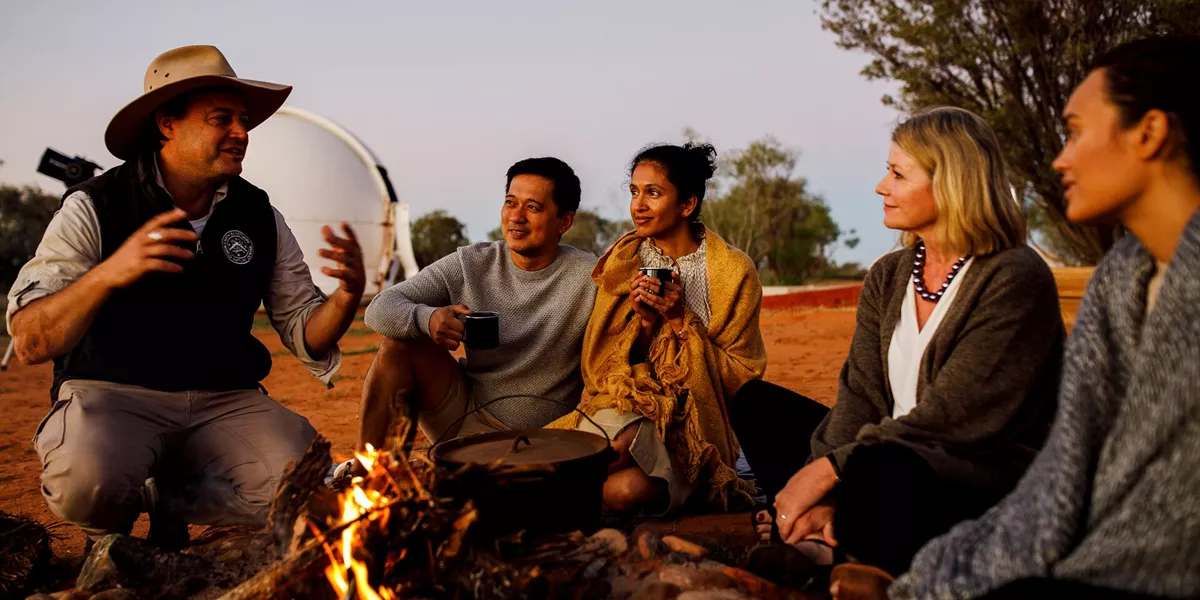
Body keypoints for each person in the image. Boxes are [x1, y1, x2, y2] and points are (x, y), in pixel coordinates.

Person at [6, 45, 365, 548]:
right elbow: (29, 338)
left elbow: (303, 327)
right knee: (88, 487)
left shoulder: (257, 214)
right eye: (222, 119)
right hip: (114, 393)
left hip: (225, 399)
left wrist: (349, 293)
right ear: (167, 123)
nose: (241, 133)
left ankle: (167, 500)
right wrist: (110, 272)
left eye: (243, 120)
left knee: (309, 489)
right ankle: (112, 522)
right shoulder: (95, 205)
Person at [893, 36, 1200, 600]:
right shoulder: (1120, 280)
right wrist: (929, 580)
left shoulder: (1014, 274)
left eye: (1077, 131)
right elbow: (1065, 470)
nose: (1061, 158)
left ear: (1150, 132)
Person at [730, 107, 1064, 578]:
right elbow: (860, 396)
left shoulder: (1014, 276)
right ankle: (821, 527)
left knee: (884, 466)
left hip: (970, 468)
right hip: (878, 458)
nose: (880, 186)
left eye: (897, 174)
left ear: (950, 184)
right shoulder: (889, 276)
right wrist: (815, 482)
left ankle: (831, 546)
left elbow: (954, 418)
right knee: (756, 404)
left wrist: (827, 474)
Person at [549, 143, 765, 515]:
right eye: (634, 191)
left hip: (696, 432)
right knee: (621, 442)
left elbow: (743, 379)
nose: (638, 205)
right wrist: (646, 326)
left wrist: (682, 321)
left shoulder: (733, 271)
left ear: (687, 205)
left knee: (624, 492)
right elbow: (599, 369)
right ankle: (534, 502)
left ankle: (543, 503)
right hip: (628, 410)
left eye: (653, 193)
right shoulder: (622, 262)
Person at [357, 157, 596, 450]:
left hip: (537, 440)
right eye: (511, 203)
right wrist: (428, 320)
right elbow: (380, 307)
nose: (516, 217)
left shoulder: (591, 276)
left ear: (564, 221)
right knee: (399, 346)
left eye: (533, 207)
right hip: (462, 414)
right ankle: (369, 472)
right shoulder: (473, 262)